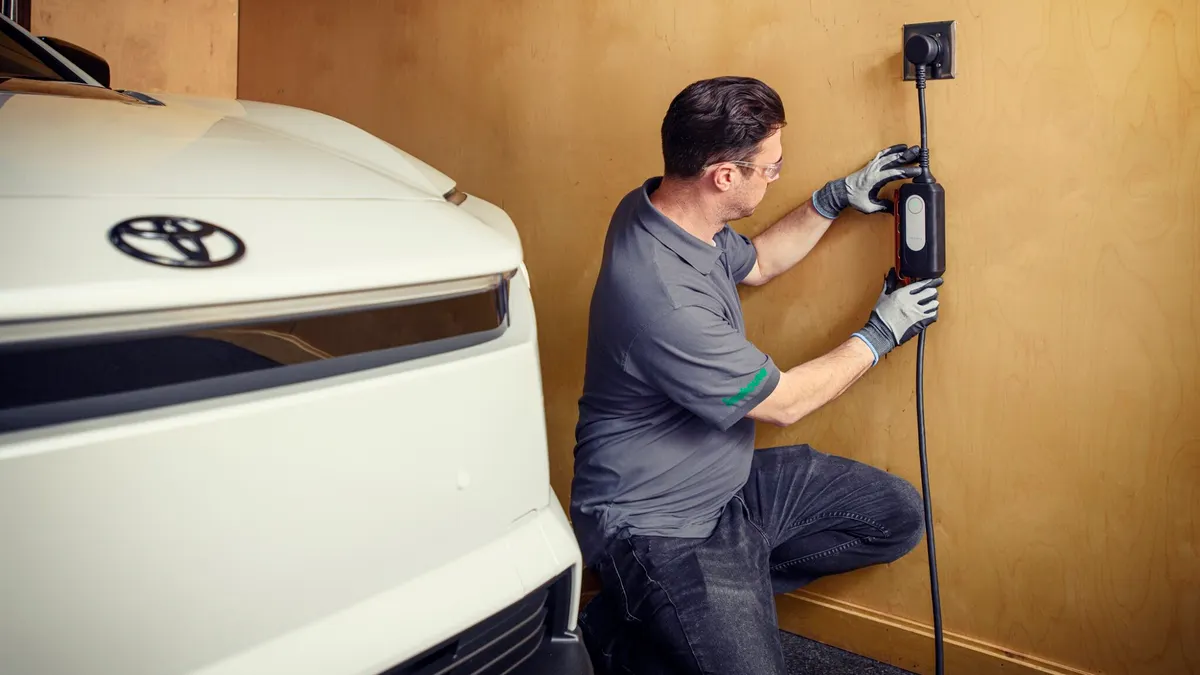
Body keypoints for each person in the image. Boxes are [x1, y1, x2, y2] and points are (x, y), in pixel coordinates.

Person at [569, 75, 944, 674]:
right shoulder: (664, 300)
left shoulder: (665, 211)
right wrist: (879, 334)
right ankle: (632, 624)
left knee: (894, 515)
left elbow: (762, 262)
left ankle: (699, 603)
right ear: (724, 175)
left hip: (727, 489)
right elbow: (785, 402)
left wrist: (836, 196)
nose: (774, 176)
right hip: (659, 525)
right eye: (770, 168)